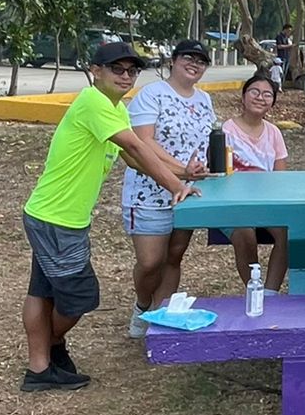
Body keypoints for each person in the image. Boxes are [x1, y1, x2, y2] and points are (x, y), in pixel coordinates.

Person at [20, 41, 199, 391]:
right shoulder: (93, 102)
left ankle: (40, 367)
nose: (126, 76)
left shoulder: (115, 108)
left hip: (56, 216)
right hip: (57, 219)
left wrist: (183, 176)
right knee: (80, 297)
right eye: (117, 68)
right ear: (95, 70)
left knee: (43, 291)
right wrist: (176, 184)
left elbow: (133, 156)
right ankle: (46, 351)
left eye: (133, 70)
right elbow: (134, 147)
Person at [122, 39, 215, 339]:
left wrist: (197, 171)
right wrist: (180, 170)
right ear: (172, 61)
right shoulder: (152, 94)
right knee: (151, 261)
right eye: (188, 57)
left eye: (201, 61)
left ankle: (161, 321)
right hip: (148, 191)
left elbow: (203, 142)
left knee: (174, 256)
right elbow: (143, 143)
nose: (194, 64)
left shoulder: (204, 100)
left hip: (188, 191)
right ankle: (142, 305)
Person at [223, 70, 290, 293]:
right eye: (254, 92)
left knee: (288, 231)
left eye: (267, 94)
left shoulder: (274, 133)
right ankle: (254, 289)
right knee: (245, 232)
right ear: (243, 97)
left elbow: (279, 177)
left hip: (265, 201)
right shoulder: (226, 130)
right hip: (234, 202)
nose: (260, 97)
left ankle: (270, 293)